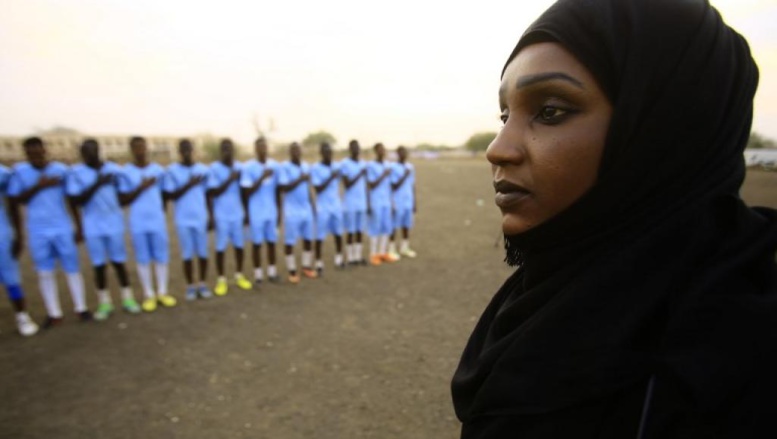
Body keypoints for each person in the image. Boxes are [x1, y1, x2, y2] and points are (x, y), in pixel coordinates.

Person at [451, 0, 777, 437]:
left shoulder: (722, 366)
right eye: (505, 115)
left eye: (550, 111)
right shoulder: (544, 299)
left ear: (663, 129)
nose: (498, 148)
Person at [7, 137, 91, 327]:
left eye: (38, 151)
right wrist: (39, 186)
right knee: (45, 272)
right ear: (26, 154)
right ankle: (54, 313)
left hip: (62, 226)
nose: (35, 156)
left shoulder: (60, 170)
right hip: (37, 229)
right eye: (30, 153)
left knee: (72, 268)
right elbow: (15, 201)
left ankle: (81, 307)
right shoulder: (20, 172)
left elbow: (71, 200)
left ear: (45, 150)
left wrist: (79, 226)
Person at [67, 139, 140, 320]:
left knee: (119, 262)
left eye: (91, 150)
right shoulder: (76, 172)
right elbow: (75, 201)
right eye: (85, 152)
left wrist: (138, 189)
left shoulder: (114, 170)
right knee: (99, 265)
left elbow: (124, 198)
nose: (88, 155)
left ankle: (127, 298)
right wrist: (97, 183)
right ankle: (104, 302)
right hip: (92, 226)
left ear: (98, 150)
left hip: (114, 223)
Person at [117, 136, 176, 312]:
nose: (140, 150)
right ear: (131, 150)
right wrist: (141, 187)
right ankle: (148, 295)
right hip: (138, 222)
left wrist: (160, 211)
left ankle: (162, 292)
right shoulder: (126, 172)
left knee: (161, 257)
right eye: (136, 147)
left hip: (157, 221)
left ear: (147, 148)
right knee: (143, 259)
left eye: (142, 147)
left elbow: (165, 194)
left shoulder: (158, 170)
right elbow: (123, 199)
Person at [164, 139, 213, 301]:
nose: (186, 152)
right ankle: (190, 287)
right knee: (187, 254)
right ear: (179, 151)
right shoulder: (172, 170)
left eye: (189, 149)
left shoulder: (203, 170)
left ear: (193, 150)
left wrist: (210, 215)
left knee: (203, 253)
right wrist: (189, 183)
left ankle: (203, 284)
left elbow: (208, 195)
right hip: (183, 219)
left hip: (200, 217)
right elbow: (171, 195)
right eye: (183, 149)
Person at [207, 138, 252, 295]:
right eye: (224, 148)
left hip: (237, 213)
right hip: (221, 215)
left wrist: (246, 212)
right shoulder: (214, 168)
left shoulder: (241, 167)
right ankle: (221, 280)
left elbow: (244, 192)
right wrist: (230, 179)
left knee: (239, 246)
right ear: (221, 151)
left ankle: (239, 275)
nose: (227, 151)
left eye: (230, 148)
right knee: (220, 248)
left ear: (234, 150)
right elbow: (212, 192)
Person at [0, 163, 39, 336]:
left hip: (1, 234)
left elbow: (13, 203)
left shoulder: (3, 174)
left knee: (11, 278)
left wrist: (18, 234)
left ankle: (22, 316)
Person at [240, 136, 281, 285]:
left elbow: (277, 191)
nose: (262, 149)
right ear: (255, 149)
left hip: (271, 211)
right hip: (255, 212)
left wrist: (279, 211)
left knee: (271, 242)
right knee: (257, 244)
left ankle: (272, 272)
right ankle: (258, 275)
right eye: (259, 147)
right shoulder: (248, 167)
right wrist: (261, 177)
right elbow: (246, 192)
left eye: (264, 147)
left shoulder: (274, 166)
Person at [278, 142, 317, 283]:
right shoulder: (285, 168)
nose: (296, 153)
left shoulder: (306, 166)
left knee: (308, 239)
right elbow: (284, 188)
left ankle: (306, 266)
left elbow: (308, 189)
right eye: (293, 150)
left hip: (306, 209)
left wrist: (313, 206)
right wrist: (300, 178)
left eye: (298, 150)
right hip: (292, 211)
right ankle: (292, 271)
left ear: (301, 152)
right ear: (289, 152)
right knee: (290, 242)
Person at [311, 141, 345, 275]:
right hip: (322, 206)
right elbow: (318, 188)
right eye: (325, 152)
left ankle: (339, 259)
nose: (328, 154)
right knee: (319, 236)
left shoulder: (337, 166)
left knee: (338, 233)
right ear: (321, 153)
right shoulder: (316, 168)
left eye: (330, 152)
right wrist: (331, 177)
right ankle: (319, 263)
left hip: (336, 205)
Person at [366, 142, 397, 265]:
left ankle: (383, 252)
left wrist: (392, 202)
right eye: (379, 150)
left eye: (383, 150)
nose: (382, 152)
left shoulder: (388, 165)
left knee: (386, 227)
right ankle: (373, 254)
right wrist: (383, 175)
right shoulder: (371, 166)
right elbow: (371, 185)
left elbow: (390, 186)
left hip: (386, 201)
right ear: (375, 151)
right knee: (375, 227)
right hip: (376, 200)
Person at [339, 140, 368, 266]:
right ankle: (350, 257)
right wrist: (359, 174)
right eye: (353, 147)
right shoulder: (345, 164)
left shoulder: (363, 163)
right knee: (350, 231)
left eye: (358, 147)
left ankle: (358, 256)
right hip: (350, 203)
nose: (356, 149)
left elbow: (365, 185)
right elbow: (347, 184)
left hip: (361, 202)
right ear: (349, 149)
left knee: (359, 230)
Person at [389, 145, 417, 259]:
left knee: (406, 225)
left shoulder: (410, 167)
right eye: (401, 153)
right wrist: (404, 175)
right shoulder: (393, 167)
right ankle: (391, 249)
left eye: (405, 153)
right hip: (397, 200)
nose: (403, 155)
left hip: (408, 200)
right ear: (397, 154)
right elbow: (393, 186)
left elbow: (412, 185)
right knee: (394, 225)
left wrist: (415, 202)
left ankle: (404, 247)